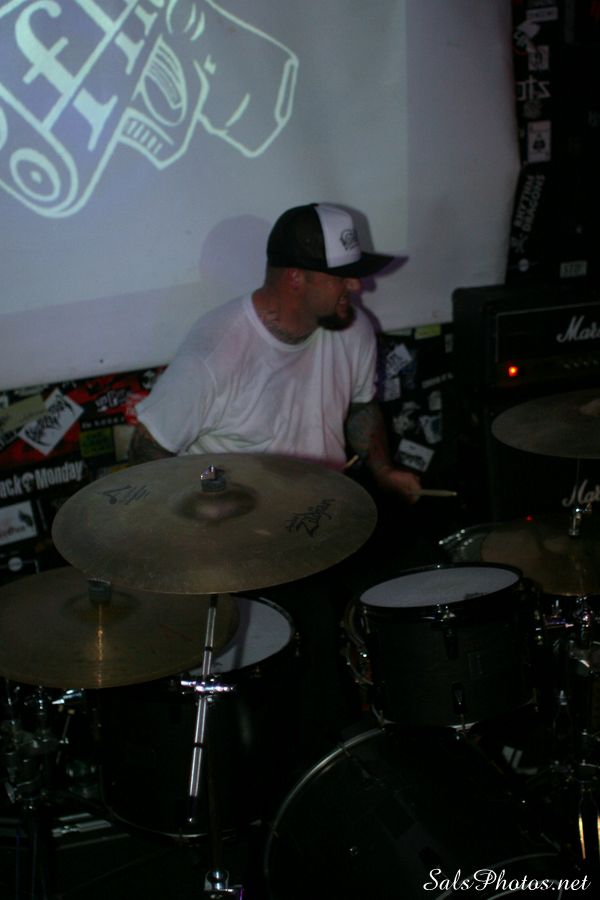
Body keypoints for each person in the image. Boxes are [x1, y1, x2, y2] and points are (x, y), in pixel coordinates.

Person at [128, 203, 421, 765]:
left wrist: (383, 469)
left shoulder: (352, 327)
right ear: (295, 278)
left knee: (419, 581)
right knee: (310, 641)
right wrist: (190, 527)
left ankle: (400, 743)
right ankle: (320, 763)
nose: (357, 287)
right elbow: (148, 450)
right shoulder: (217, 349)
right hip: (240, 539)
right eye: (343, 276)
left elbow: (363, 407)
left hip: (327, 513)